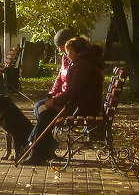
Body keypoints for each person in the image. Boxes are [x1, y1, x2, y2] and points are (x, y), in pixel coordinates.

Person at [23, 35, 104, 165]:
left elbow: (73, 91)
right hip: (83, 104)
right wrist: (56, 99)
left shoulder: (82, 64)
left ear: (76, 51)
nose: (67, 54)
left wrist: (54, 101)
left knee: (46, 114)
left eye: (69, 51)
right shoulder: (83, 62)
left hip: (83, 107)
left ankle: (37, 153)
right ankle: (39, 148)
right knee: (45, 111)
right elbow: (73, 90)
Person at [34, 27, 76, 122]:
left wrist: (56, 99)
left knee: (44, 112)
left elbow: (71, 89)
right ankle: (43, 134)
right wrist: (52, 93)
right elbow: (60, 78)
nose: (59, 50)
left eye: (59, 46)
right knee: (38, 106)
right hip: (62, 97)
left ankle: (42, 135)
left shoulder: (76, 61)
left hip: (68, 102)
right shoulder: (65, 58)